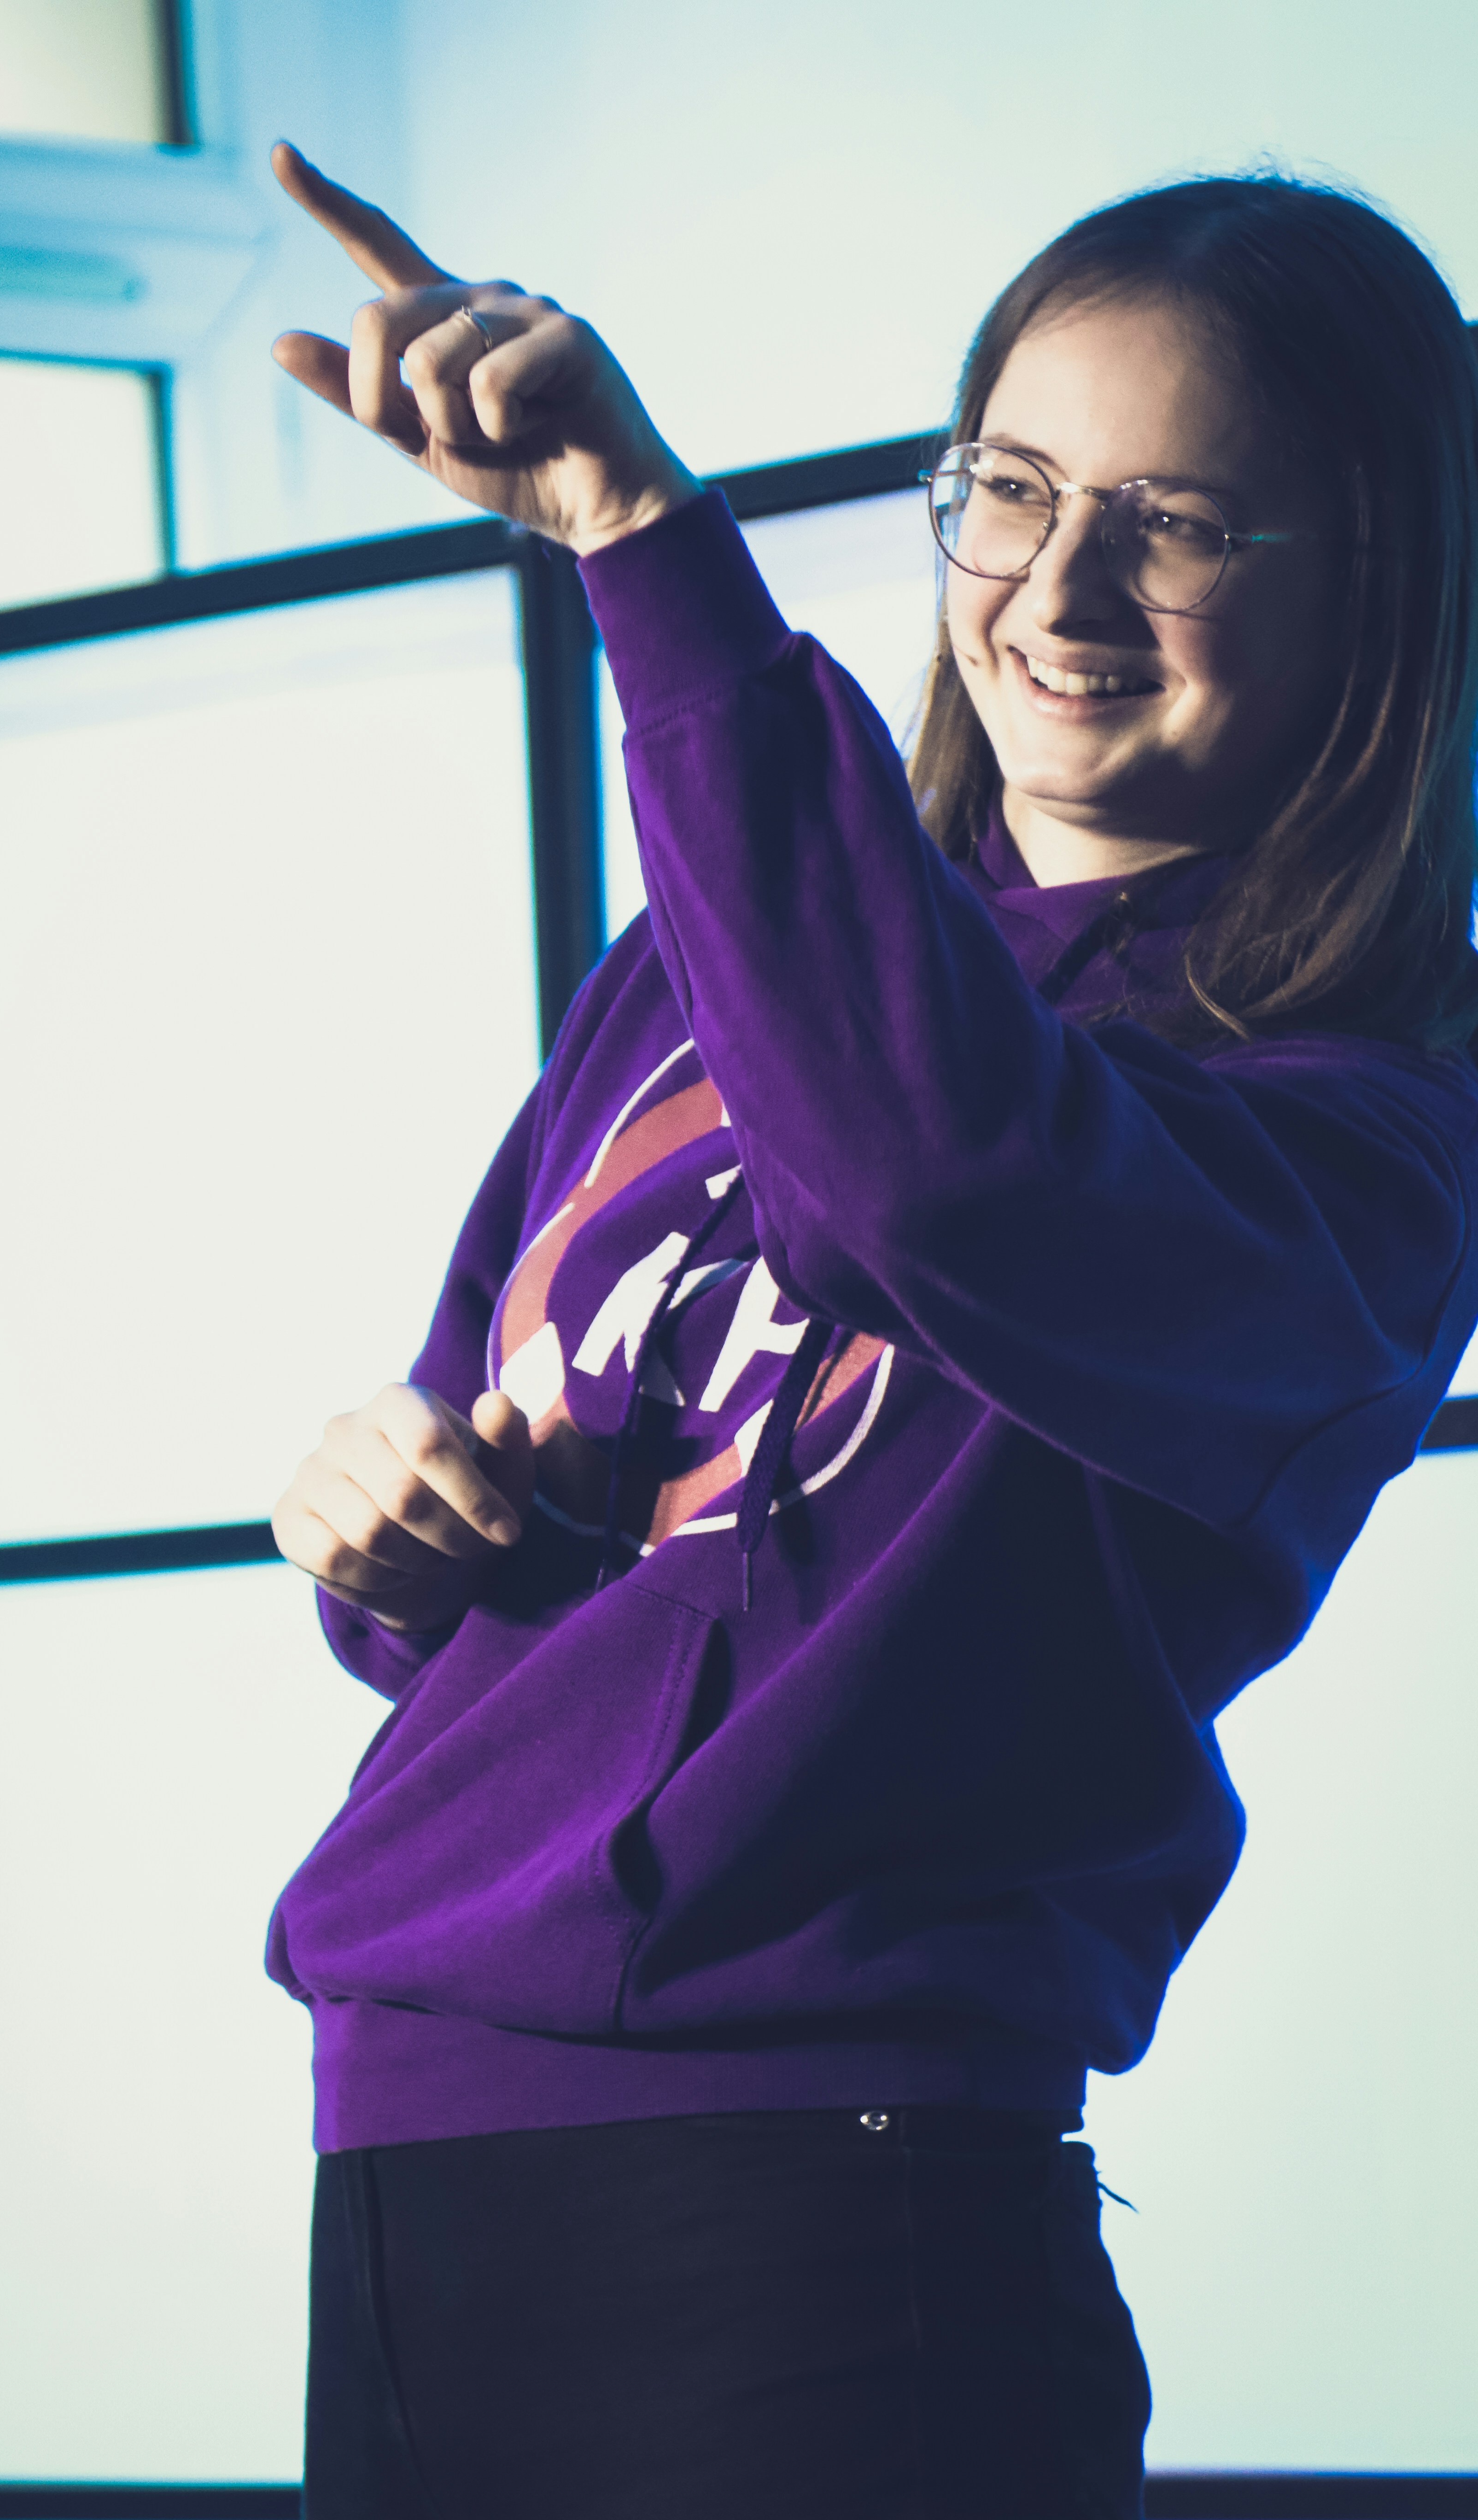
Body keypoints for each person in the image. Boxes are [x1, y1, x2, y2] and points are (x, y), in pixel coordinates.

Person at [264, 144, 1478, 2520]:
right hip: (411, 2158)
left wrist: (639, 535)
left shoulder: (1370, 1130)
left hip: (822, 2217)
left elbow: (945, 1166)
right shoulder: (705, 963)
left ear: (1390, 589)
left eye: (1183, 519)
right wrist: (388, 1527)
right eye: (1009, 489)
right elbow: (520, 1581)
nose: (1059, 584)